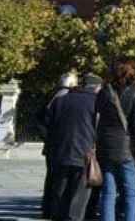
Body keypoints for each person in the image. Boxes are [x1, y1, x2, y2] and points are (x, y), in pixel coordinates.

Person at [95, 60, 135, 221]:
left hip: (106, 145)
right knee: (131, 191)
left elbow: (97, 116)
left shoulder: (104, 91)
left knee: (108, 191)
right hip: (127, 147)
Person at [47, 73, 101, 221]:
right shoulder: (96, 102)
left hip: (60, 152)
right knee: (79, 197)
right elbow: (98, 128)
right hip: (85, 153)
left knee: (60, 190)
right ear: (97, 87)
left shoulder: (60, 100)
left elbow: (49, 124)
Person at [40, 72, 78, 219]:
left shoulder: (52, 96)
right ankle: (55, 209)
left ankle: (48, 208)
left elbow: (42, 120)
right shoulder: (63, 98)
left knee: (51, 177)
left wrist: (47, 136)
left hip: (52, 144)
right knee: (58, 179)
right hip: (59, 144)